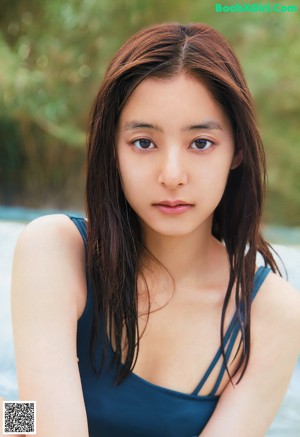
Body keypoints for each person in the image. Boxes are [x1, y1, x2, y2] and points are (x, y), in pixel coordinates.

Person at [11, 22, 300, 437]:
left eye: (201, 142)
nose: (172, 175)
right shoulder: (55, 251)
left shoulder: (270, 315)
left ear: (237, 149)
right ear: (113, 148)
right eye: (144, 142)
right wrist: (10, 418)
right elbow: (37, 420)